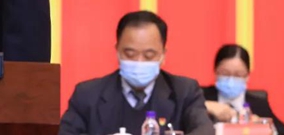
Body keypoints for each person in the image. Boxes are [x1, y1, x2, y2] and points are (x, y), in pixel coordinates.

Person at [59, 11, 214, 135]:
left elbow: (204, 130)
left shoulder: (184, 92)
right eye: (130, 54)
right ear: (117, 51)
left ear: (163, 55)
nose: (139, 62)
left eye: (149, 55)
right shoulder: (87, 95)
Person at [202, 44, 284, 135]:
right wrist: (206, 106)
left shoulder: (259, 104)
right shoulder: (200, 96)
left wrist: (263, 126)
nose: (231, 80)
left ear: (247, 76)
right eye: (225, 73)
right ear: (215, 72)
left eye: (238, 75)